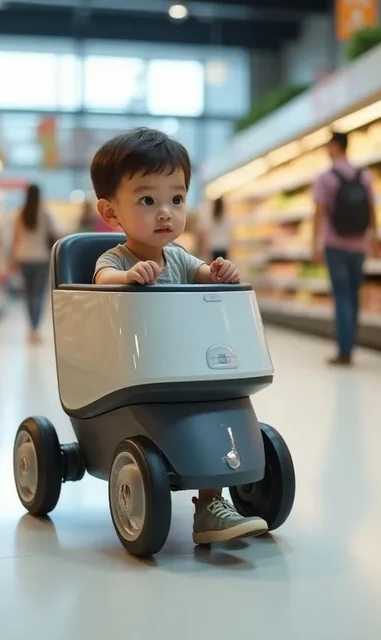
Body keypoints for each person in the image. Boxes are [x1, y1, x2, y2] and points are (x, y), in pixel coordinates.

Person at [91, 127, 268, 545]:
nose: (165, 212)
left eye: (177, 198)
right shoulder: (115, 258)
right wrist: (127, 278)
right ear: (110, 211)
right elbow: (102, 280)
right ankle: (210, 504)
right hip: (142, 370)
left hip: (185, 364)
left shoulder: (178, 257)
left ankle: (211, 504)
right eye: (147, 200)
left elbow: (202, 273)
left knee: (213, 409)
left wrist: (218, 273)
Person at [312, 132, 378, 366]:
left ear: (334, 146)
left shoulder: (326, 178)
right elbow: (372, 208)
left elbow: (319, 214)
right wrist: (374, 237)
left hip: (335, 244)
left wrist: (315, 245)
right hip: (359, 244)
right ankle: (351, 345)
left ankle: (344, 351)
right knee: (354, 295)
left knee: (342, 297)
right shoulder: (364, 176)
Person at [11, 184, 59, 343]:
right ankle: (35, 328)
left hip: (24, 257)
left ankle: (31, 325)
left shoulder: (20, 214)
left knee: (28, 294)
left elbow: (15, 238)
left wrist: (12, 259)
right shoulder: (45, 215)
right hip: (41, 258)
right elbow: (55, 236)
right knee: (38, 294)